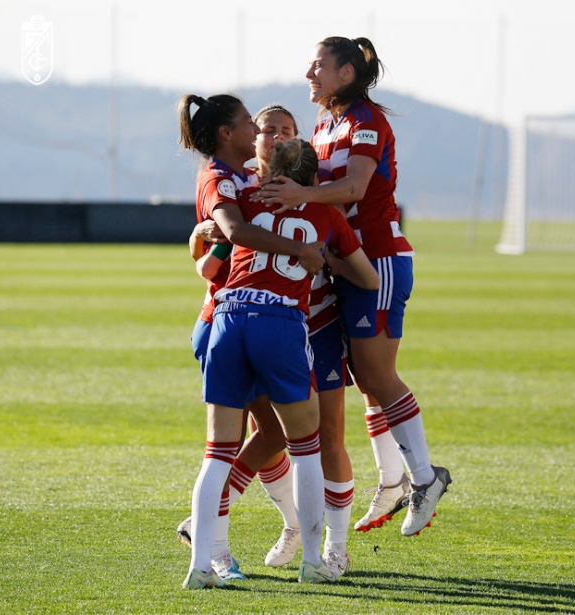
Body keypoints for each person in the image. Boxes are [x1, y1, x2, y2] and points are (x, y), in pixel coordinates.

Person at [252, 36, 452, 537]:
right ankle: (390, 482)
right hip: (344, 260)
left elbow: (355, 189)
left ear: (346, 72)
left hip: (378, 259)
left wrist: (301, 193)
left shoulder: (366, 121)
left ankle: (425, 478)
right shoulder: (324, 123)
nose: (308, 73)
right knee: (365, 380)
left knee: (377, 376)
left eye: (318, 65)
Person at [182, 104, 362, 579]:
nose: (269, 136)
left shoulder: (250, 188)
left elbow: (207, 258)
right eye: (260, 127)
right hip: (274, 321)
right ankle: (299, 556)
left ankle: (210, 554)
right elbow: (224, 241)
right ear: (239, 136)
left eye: (284, 132)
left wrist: (200, 238)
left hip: (229, 318)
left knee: (232, 446)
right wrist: (311, 253)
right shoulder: (225, 180)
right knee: (301, 442)